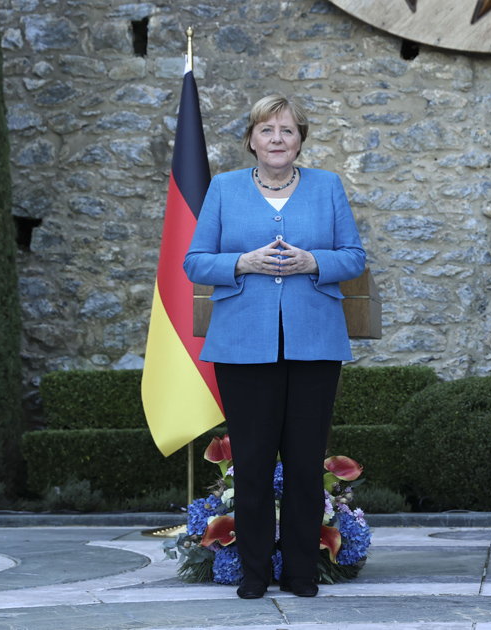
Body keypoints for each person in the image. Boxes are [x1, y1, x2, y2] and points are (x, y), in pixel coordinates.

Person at [184, 94, 366, 599]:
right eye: (268, 130)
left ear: (300, 139)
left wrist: (314, 262)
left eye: (288, 130)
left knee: (307, 463)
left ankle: (302, 571)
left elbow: (354, 256)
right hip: (242, 347)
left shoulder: (327, 187)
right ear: (251, 139)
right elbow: (195, 262)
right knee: (254, 462)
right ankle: (255, 572)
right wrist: (242, 263)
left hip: (315, 345)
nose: (278, 139)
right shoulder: (223, 189)